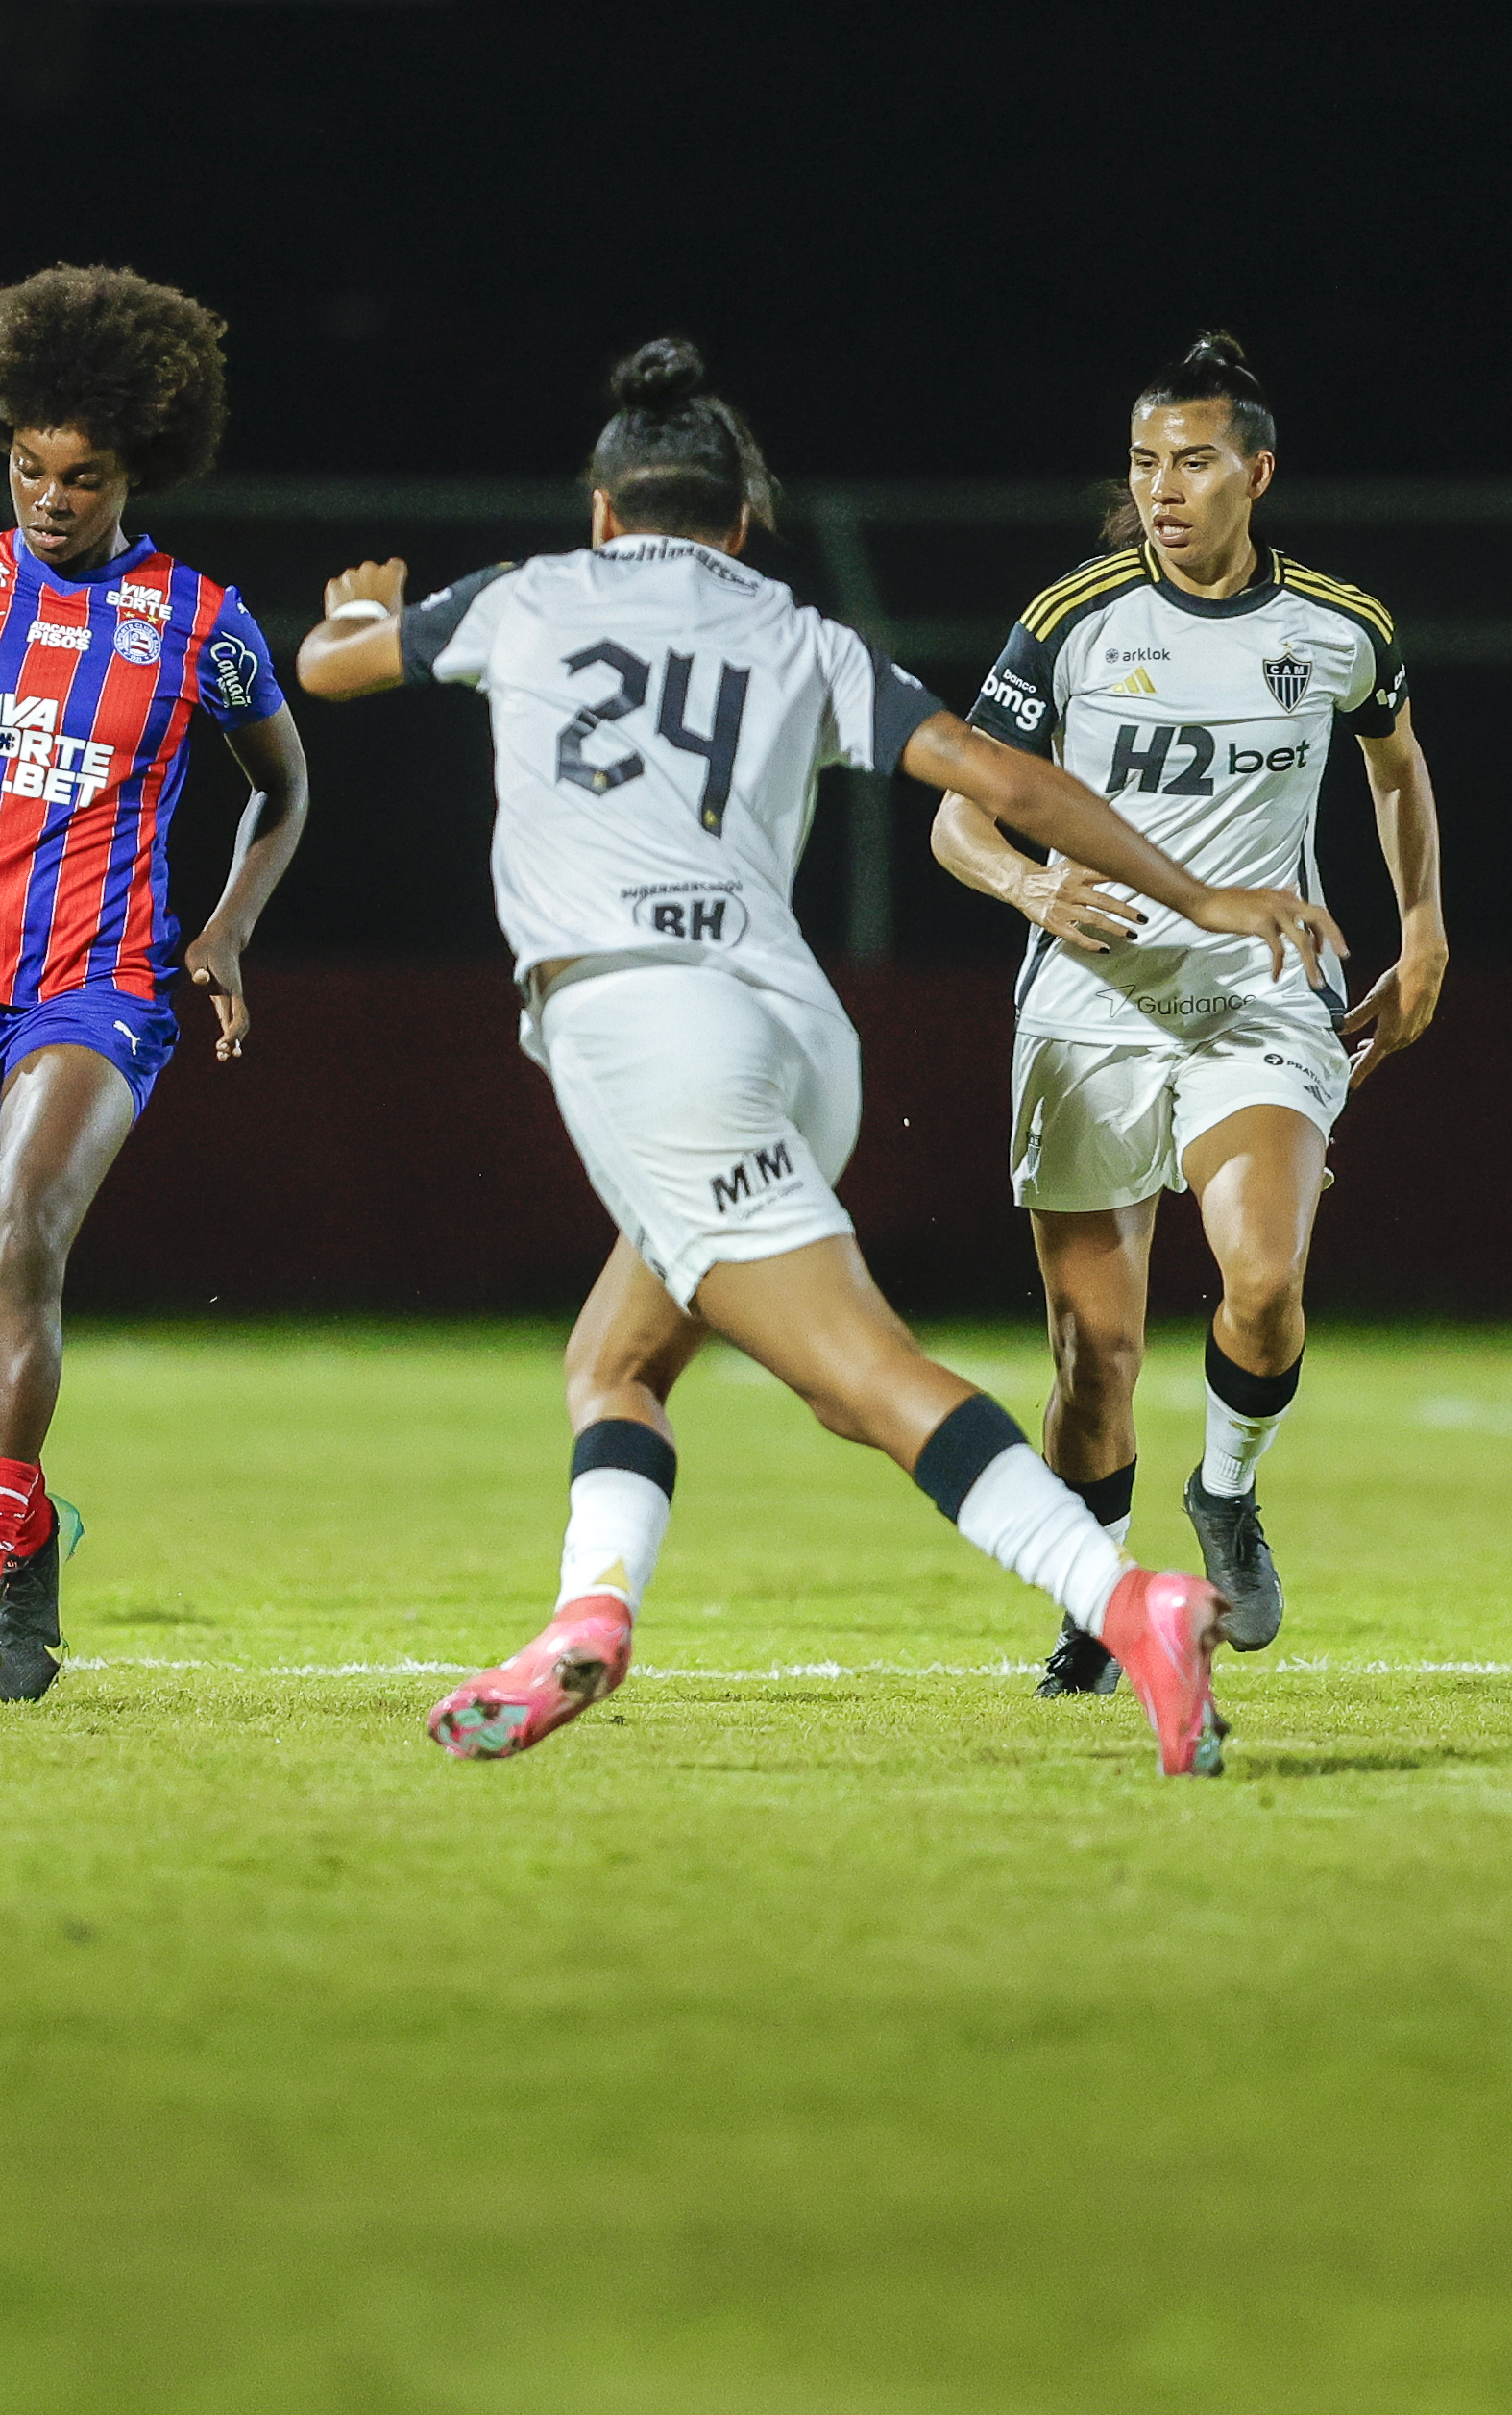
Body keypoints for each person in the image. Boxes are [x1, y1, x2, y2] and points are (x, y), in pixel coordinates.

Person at [297, 338, 1349, 1780]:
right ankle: (585, 1617)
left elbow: (330, 667)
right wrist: (1206, 894)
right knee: (613, 1361)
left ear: (604, 513)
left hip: (651, 1030)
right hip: (796, 1034)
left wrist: (362, 609)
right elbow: (1009, 780)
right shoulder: (803, 632)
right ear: (738, 525)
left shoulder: (529, 596)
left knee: (861, 1380)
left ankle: (1127, 1598)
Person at [0, 263, 308, 1707]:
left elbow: (282, 792)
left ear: (136, 467)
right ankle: (25, 1537)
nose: (49, 497)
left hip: (99, 989)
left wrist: (221, 929)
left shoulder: (199, 624)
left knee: (24, 1241)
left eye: (80, 477)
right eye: (28, 469)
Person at [931, 332, 1445, 1694]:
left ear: (1255, 472)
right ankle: (1095, 1611)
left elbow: (1395, 765)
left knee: (1263, 1280)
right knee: (1092, 1356)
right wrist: (1032, 887)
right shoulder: (1073, 616)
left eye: (1194, 461)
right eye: (1145, 463)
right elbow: (954, 818)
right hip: (1089, 1007)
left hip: (1259, 995)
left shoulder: (1338, 627)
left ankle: (1225, 1496)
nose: (1164, 488)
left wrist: (1424, 925)